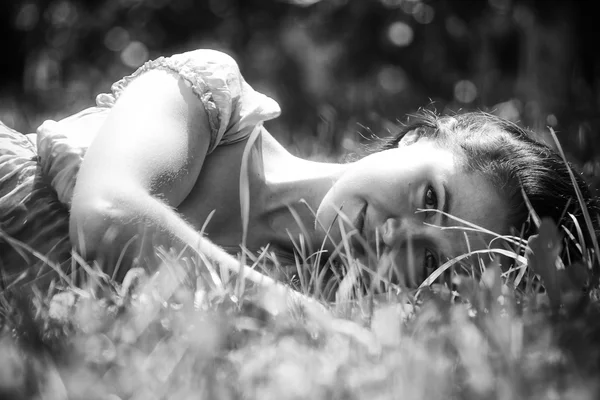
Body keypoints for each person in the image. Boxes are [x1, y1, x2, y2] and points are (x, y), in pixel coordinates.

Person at [0, 49, 597, 293]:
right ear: (418, 137)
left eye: (433, 261)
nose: (399, 237)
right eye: (430, 198)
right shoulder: (215, 100)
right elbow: (105, 217)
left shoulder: (312, 294)